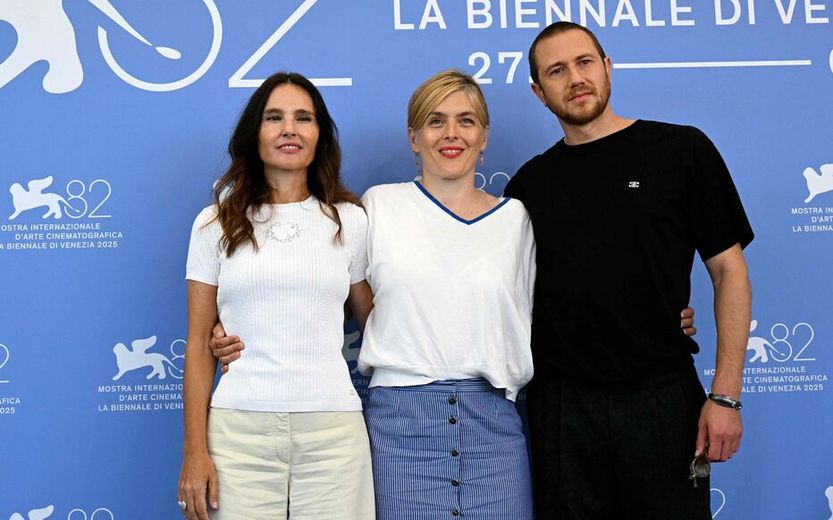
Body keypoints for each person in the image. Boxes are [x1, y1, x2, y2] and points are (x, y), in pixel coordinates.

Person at [208, 70, 700, 520]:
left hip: (494, 425)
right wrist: (230, 330)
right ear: (413, 137)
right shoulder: (375, 209)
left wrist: (655, 315)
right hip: (399, 425)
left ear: (484, 137)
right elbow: (314, 287)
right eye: (435, 121)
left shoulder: (517, 219)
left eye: (466, 121)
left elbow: (570, 299)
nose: (451, 134)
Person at [504, 22, 753, 519]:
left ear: (607, 67)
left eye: (584, 62)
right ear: (538, 92)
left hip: (662, 397)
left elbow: (730, 272)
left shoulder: (681, 151)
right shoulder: (528, 186)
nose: (575, 78)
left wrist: (725, 397)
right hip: (563, 409)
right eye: (556, 71)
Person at [177, 71, 375, 520]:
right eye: (274, 117)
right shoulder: (213, 223)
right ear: (255, 133)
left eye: (303, 118)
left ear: (319, 134)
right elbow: (198, 343)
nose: (289, 129)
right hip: (237, 434)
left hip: (333, 433)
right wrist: (194, 452)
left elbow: (376, 324)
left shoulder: (349, 220)